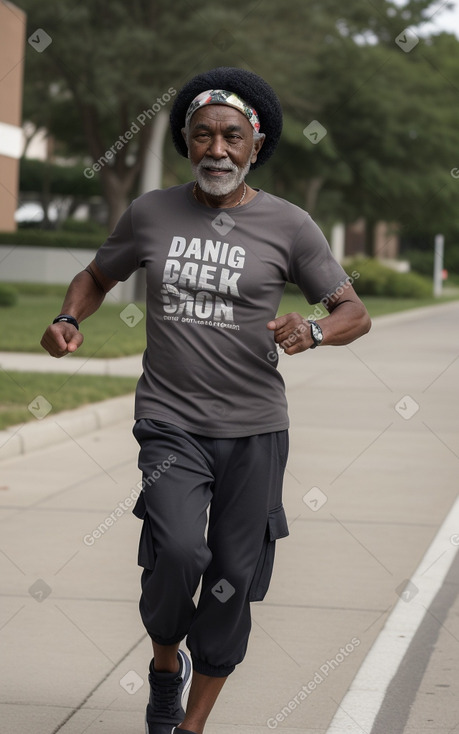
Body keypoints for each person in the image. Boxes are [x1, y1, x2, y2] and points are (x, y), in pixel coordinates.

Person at [41, 66, 371, 734]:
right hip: (170, 423)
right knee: (181, 553)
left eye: (230, 136)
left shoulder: (289, 224)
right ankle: (167, 664)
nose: (215, 149)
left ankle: (189, 725)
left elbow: (352, 311)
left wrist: (310, 329)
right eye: (201, 136)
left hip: (254, 431)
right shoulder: (152, 213)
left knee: (231, 575)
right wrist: (70, 318)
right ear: (187, 144)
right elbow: (96, 274)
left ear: (254, 144)